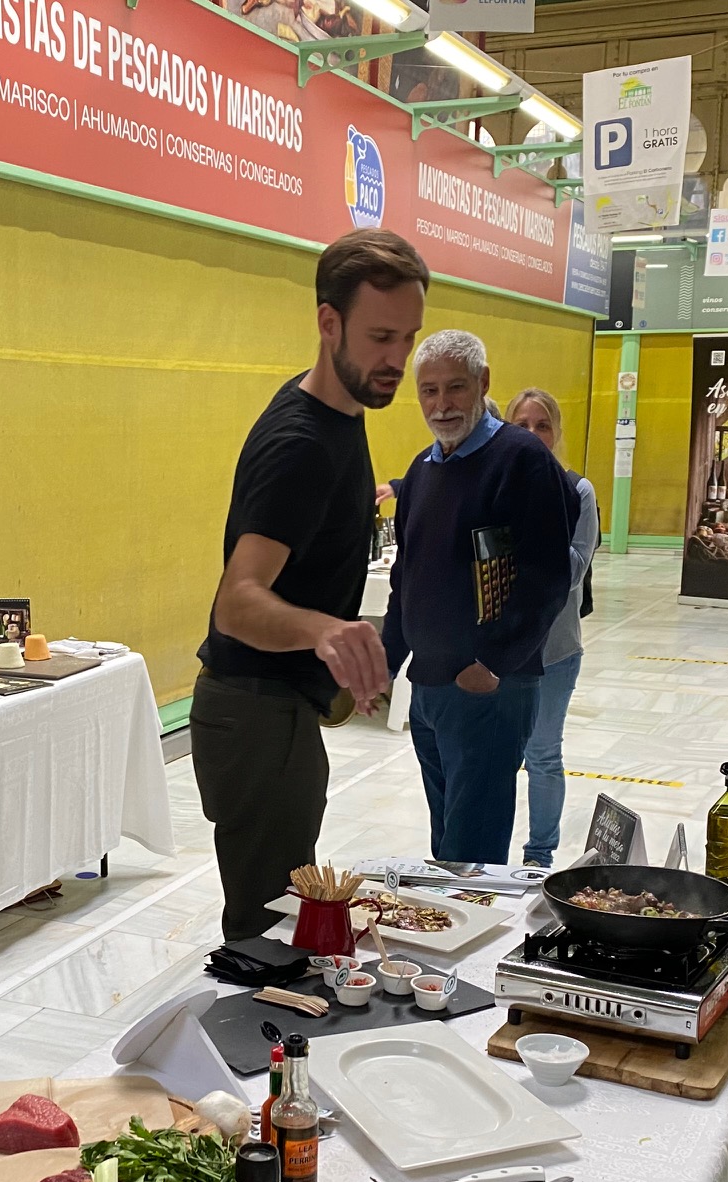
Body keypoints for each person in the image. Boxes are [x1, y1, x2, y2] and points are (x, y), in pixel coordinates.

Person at [194, 229, 427, 940]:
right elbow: (237, 601)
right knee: (267, 939)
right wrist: (323, 630)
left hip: (278, 715)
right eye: (380, 337)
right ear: (329, 323)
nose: (397, 360)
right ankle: (263, 1053)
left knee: (292, 917)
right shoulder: (302, 446)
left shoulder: (338, 413)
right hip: (255, 717)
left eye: (409, 339)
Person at [381, 331, 575, 864]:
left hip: (490, 687)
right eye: (428, 391)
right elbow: (407, 580)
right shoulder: (422, 471)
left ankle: (472, 943)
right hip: (432, 687)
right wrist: (386, 661)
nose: (440, 405)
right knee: (445, 844)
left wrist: (492, 660)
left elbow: (547, 576)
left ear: (484, 384)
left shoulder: (520, 459)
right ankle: (448, 936)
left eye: (455, 388)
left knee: (473, 853)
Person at [505, 386, 597, 868]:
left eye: (542, 425)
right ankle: (489, 857)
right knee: (498, 758)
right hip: (501, 653)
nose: (533, 435)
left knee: (542, 754)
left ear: (557, 433)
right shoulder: (496, 485)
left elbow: (572, 570)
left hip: (555, 651)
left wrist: (532, 525)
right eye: (522, 424)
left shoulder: (578, 492)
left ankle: (539, 855)